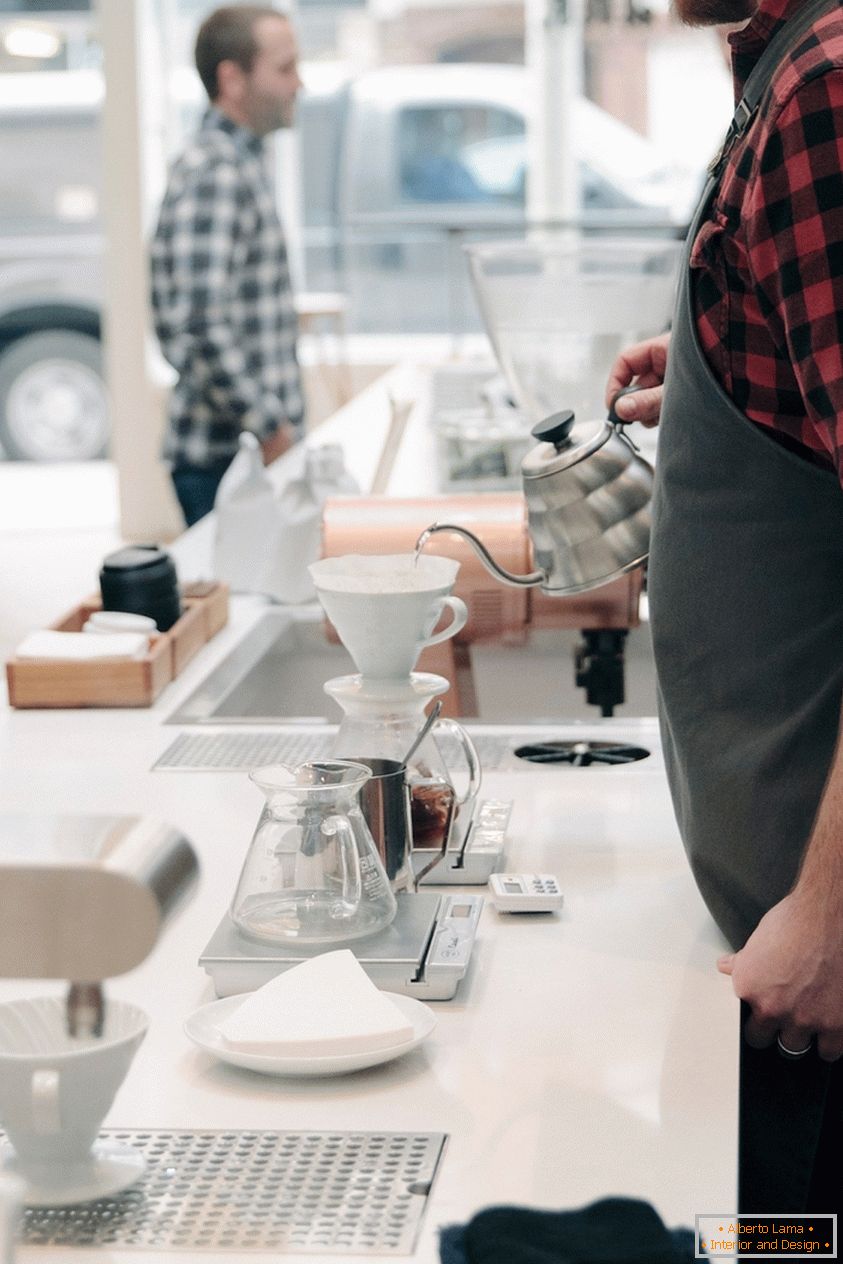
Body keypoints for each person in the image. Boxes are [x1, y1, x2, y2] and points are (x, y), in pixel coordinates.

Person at [605, 0, 843, 1218]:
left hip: (820, 978)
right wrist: (717, 361)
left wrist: (826, 915)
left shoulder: (826, 89)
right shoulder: (784, 65)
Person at [150, 4, 305, 526]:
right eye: (284, 69)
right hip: (226, 461)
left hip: (242, 457)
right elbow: (199, 322)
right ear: (232, 79)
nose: (298, 84)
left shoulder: (242, 162)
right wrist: (271, 430)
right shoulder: (217, 172)